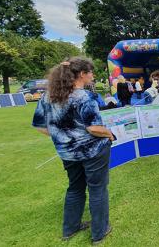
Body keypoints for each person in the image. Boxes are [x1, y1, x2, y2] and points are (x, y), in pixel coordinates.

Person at [31, 57, 114, 244]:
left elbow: (40, 126)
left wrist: (63, 138)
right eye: (91, 72)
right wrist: (109, 133)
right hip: (92, 151)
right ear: (82, 74)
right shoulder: (85, 97)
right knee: (97, 190)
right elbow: (93, 128)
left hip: (67, 153)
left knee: (75, 188)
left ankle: (70, 228)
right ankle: (99, 232)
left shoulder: (48, 96)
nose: (93, 76)